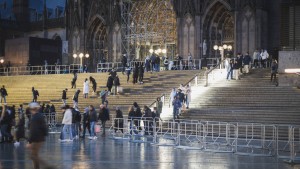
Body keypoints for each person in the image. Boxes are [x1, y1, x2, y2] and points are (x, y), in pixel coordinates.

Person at [26, 102, 53, 169]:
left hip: (36, 139)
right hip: (40, 138)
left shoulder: (34, 118)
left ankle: (48, 166)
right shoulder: (40, 116)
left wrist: (29, 142)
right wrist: (44, 135)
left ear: (32, 109)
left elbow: (33, 130)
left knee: (33, 156)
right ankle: (37, 167)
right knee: (34, 155)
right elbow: (44, 128)